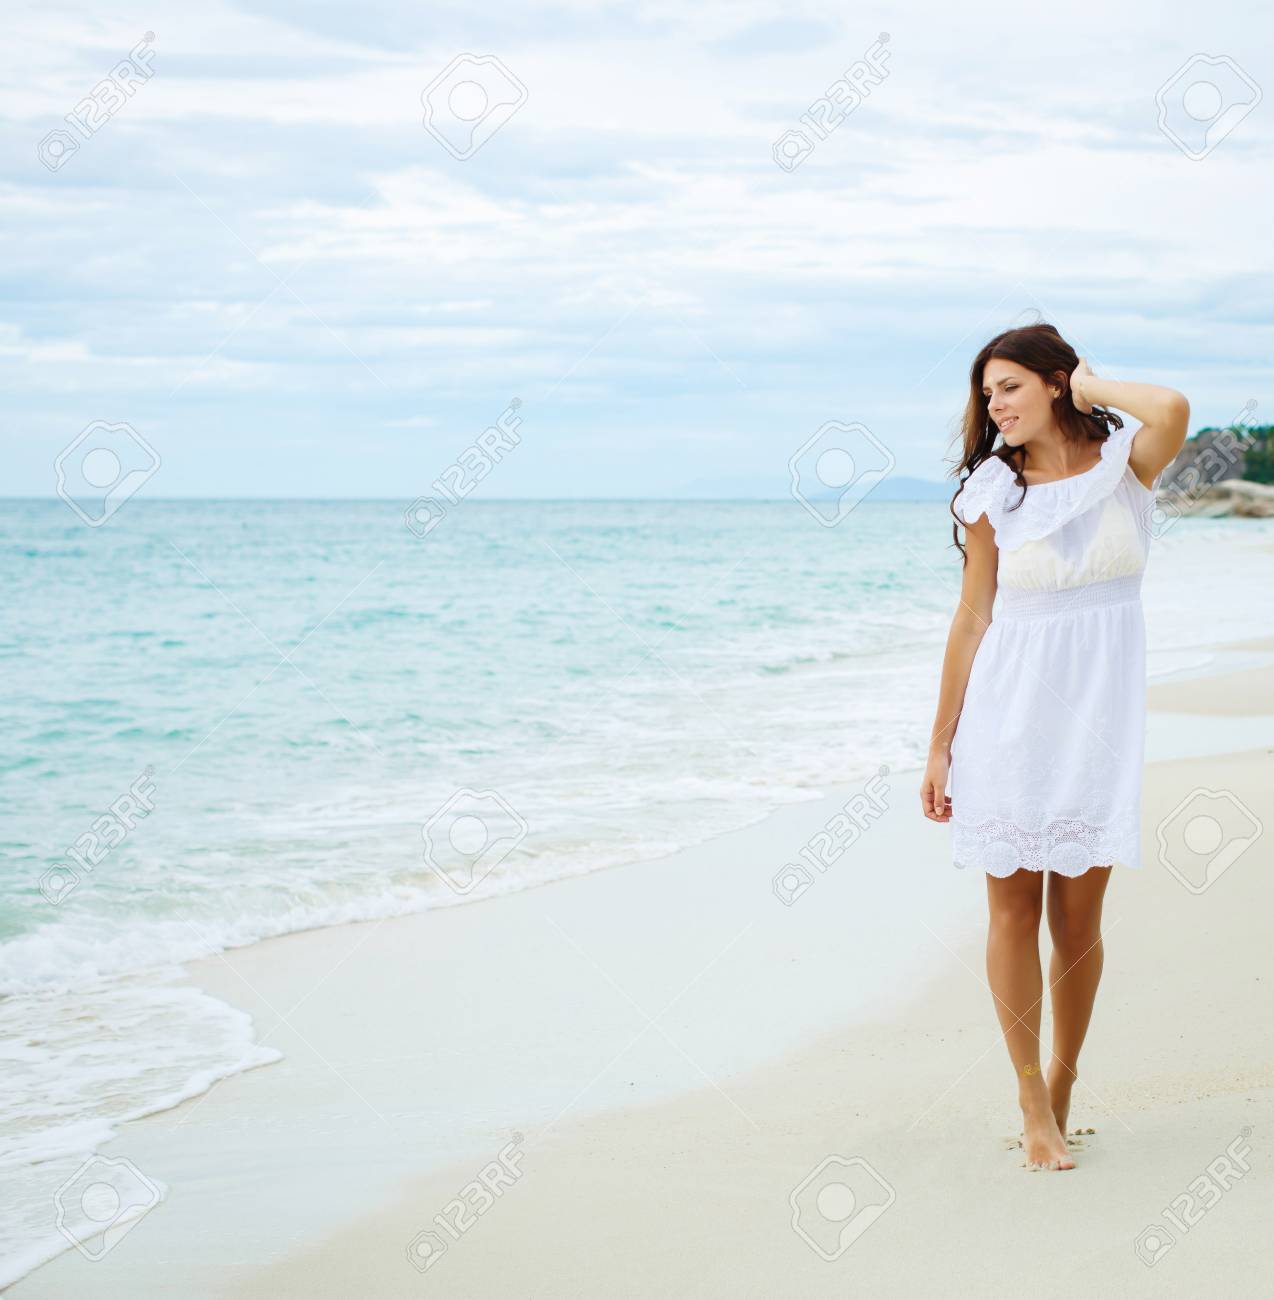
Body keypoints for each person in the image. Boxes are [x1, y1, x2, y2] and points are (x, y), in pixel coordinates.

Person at [919, 322, 1189, 1171]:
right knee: (1013, 910)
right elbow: (973, 618)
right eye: (986, 393)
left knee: (1078, 923)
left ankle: (1065, 1091)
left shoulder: (1125, 469)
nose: (993, 406)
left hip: (1098, 725)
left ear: (1055, 382)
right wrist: (939, 747)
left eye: (1008, 387)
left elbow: (1174, 406)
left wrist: (1093, 391)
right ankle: (1030, 1096)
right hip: (1007, 718)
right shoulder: (994, 492)